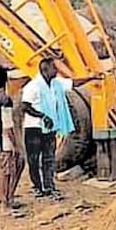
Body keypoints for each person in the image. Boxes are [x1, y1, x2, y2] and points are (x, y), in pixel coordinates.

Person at [21, 57, 97, 199]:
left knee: (49, 158)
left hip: (49, 128)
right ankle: (37, 187)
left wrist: (91, 78)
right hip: (34, 128)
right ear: (45, 70)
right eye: (53, 68)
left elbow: (74, 83)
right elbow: (25, 106)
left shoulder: (56, 84)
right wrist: (42, 116)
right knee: (34, 159)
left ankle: (49, 187)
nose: (56, 70)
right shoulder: (32, 87)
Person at [0, 66, 26, 216]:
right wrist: (16, 145)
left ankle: (7, 198)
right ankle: (5, 204)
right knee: (7, 171)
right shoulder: (5, 99)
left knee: (8, 169)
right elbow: (7, 125)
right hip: (5, 140)